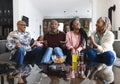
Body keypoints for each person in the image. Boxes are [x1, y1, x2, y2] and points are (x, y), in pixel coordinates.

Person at [87, 17, 116, 83]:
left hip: (105, 54)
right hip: (97, 56)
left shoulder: (110, 34)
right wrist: (89, 42)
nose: (96, 24)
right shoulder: (94, 33)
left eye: (98, 22)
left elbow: (103, 50)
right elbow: (90, 47)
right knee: (90, 52)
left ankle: (97, 64)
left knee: (109, 56)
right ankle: (95, 63)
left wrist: (93, 42)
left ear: (104, 24)